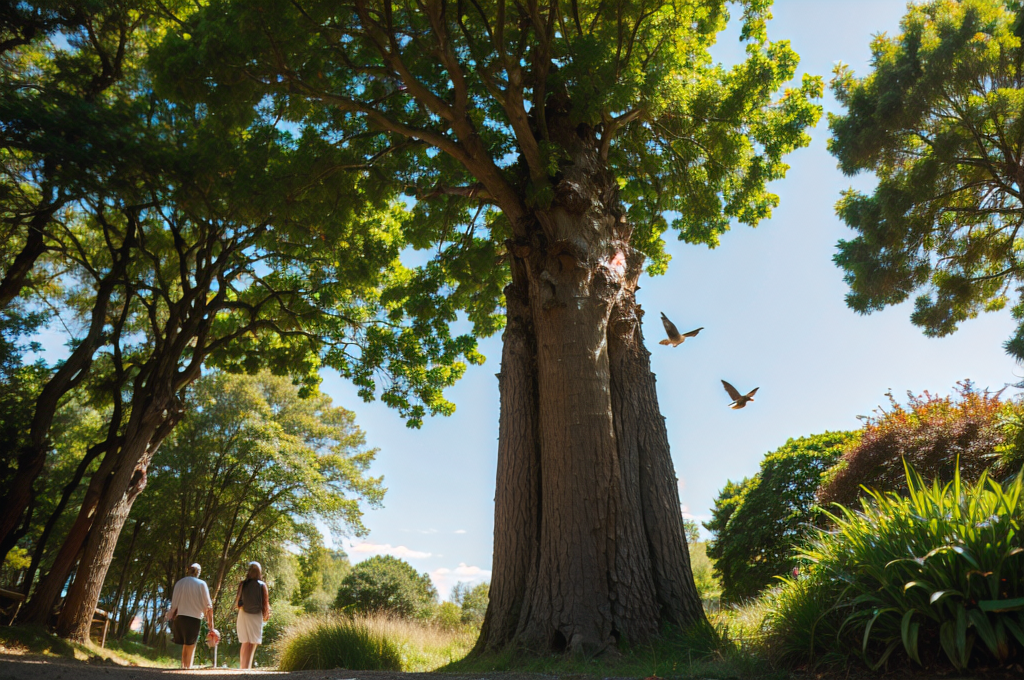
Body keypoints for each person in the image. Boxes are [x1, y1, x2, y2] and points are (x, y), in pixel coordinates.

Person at [166, 563, 219, 669]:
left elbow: (174, 605)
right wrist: (211, 625)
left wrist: (169, 617)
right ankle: (187, 670)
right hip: (193, 619)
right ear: (198, 572)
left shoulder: (180, 583)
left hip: (180, 619)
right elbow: (208, 606)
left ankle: (183, 668)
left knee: (185, 646)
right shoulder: (201, 584)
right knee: (190, 646)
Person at [235, 561, 271, 669]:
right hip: (255, 615)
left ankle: (243, 667)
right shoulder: (262, 585)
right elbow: (265, 603)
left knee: (245, 642)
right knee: (253, 642)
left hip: (243, 614)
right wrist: (266, 615)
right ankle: (247, 668)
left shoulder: (243, 584)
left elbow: (238, 603)